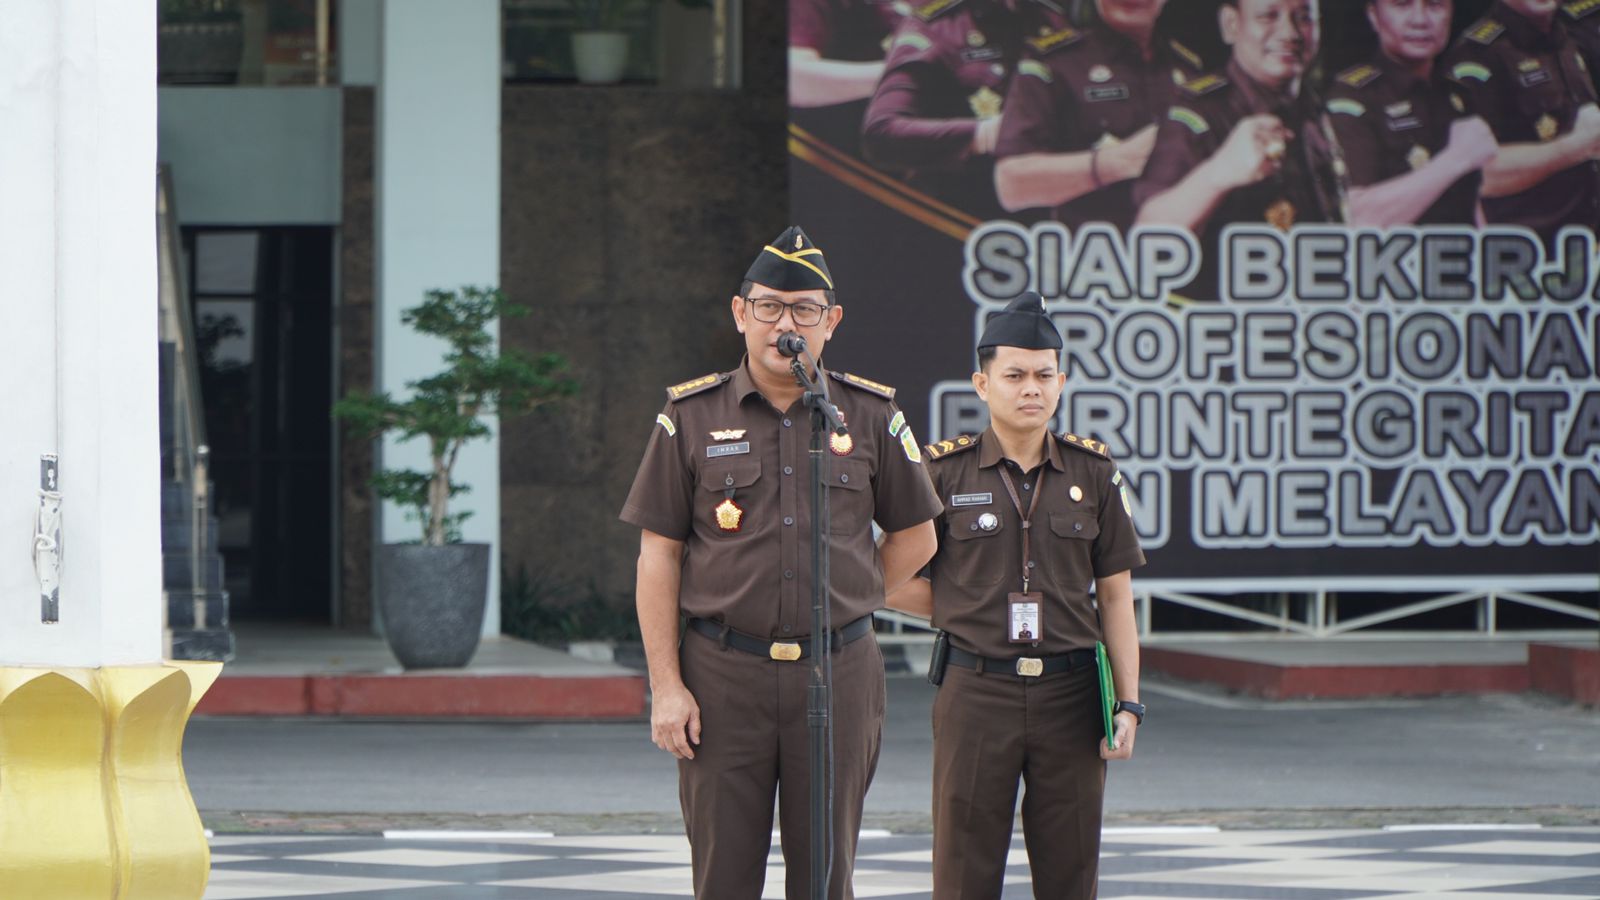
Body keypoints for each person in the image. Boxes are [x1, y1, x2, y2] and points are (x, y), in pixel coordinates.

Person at [620, 226, 943, 900]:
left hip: (840, 671)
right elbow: (659, 556)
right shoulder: (691, 416)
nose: (784, 324)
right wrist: (667, 686)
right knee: (723, 877)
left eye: (803, 310)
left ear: (832, 322)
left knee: (827, 879)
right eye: (768, 307)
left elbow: (918, 536)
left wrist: (848, 596)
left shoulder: (870, 415)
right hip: (721, 676)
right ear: (739, 314)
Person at [887, 292, 1146, 900]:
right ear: (982, 383)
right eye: (1015, 375)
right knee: (963, 869)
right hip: (976, 689)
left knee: (1071, 869)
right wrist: (960, 611)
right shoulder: (941, 474)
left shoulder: (1095, 474)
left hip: (1073, 693)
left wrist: (1129, 704)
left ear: (1063, 381)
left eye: (1044, 375)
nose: (1031, 388)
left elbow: (1114, 599)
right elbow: (886, 580)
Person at [1134, 0, 1343, 298]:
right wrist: (1220, 172)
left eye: (1304, 18)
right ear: (1232, 25)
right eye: (1269, 16)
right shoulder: (1199, 111)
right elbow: (1148, 233)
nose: (1290, 32)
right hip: (1226, 326)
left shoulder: (1316, 109)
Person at [993, 0, 1205, 229]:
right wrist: (1118, 161)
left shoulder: (1190, 67)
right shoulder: (1054, 62)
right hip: (1093, 253)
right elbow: (1011, 185)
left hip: (1183, 251)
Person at [860, 0, 1074, 220]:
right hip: (958, 215)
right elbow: (881, 133)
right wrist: (986, 133)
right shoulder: (936, 27)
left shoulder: (1054, 20)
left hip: (1049, 214)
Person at [1326, 0, 1497, 226]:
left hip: (1458, 255)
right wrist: (1455, 159)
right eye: (1402, 5)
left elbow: (1469, 202)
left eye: (1435, 5)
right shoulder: (1352, 99)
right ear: (1373, 15)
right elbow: (1357, 219)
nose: (1420, 20)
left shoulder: (1456, 95)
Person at [1445, 0, 1600, 248]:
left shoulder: (1567, 36)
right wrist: (1574, 148)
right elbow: (1478, 175)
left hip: (1585, 246)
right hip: (1529, 256)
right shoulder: (1477, 55)